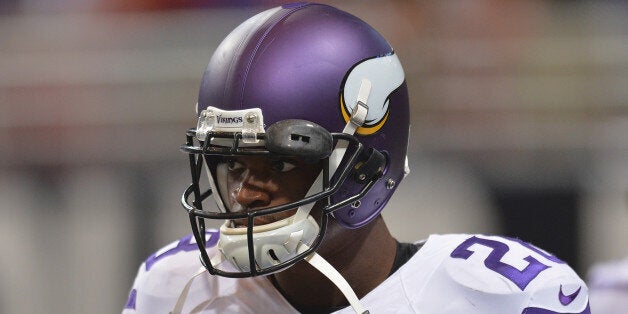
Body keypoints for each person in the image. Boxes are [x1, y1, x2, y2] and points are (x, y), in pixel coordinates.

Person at [123, 2, 590, 313]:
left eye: (281, 162)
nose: (244, 193)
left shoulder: (503, 296)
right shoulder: (176, 287)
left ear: (367, 165)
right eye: (232, 164)